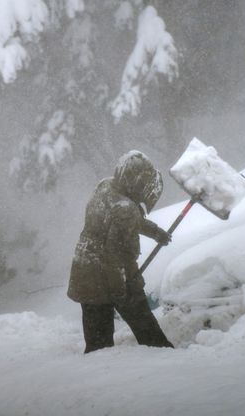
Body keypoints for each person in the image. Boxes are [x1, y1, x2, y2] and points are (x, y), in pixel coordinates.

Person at [67, 150, 175, 353]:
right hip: (111, 277)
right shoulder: (125, 209)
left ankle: (98, 372)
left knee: (98, 342)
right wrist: (121, 291)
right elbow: (114, 255)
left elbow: (120, 218)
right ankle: (165, 357)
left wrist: (155, 232)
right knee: (147, 329)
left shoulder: (105, 186)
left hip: (85, 271)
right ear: (136, 181)